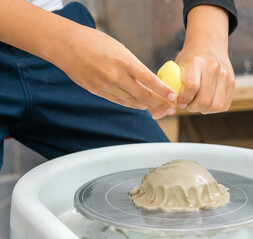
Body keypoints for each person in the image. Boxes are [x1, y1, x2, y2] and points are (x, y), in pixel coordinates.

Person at [0, 0, 238, 169]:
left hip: (56, 26)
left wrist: (209, 38)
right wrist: (66, 45)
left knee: (162, 178)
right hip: (62, 39)